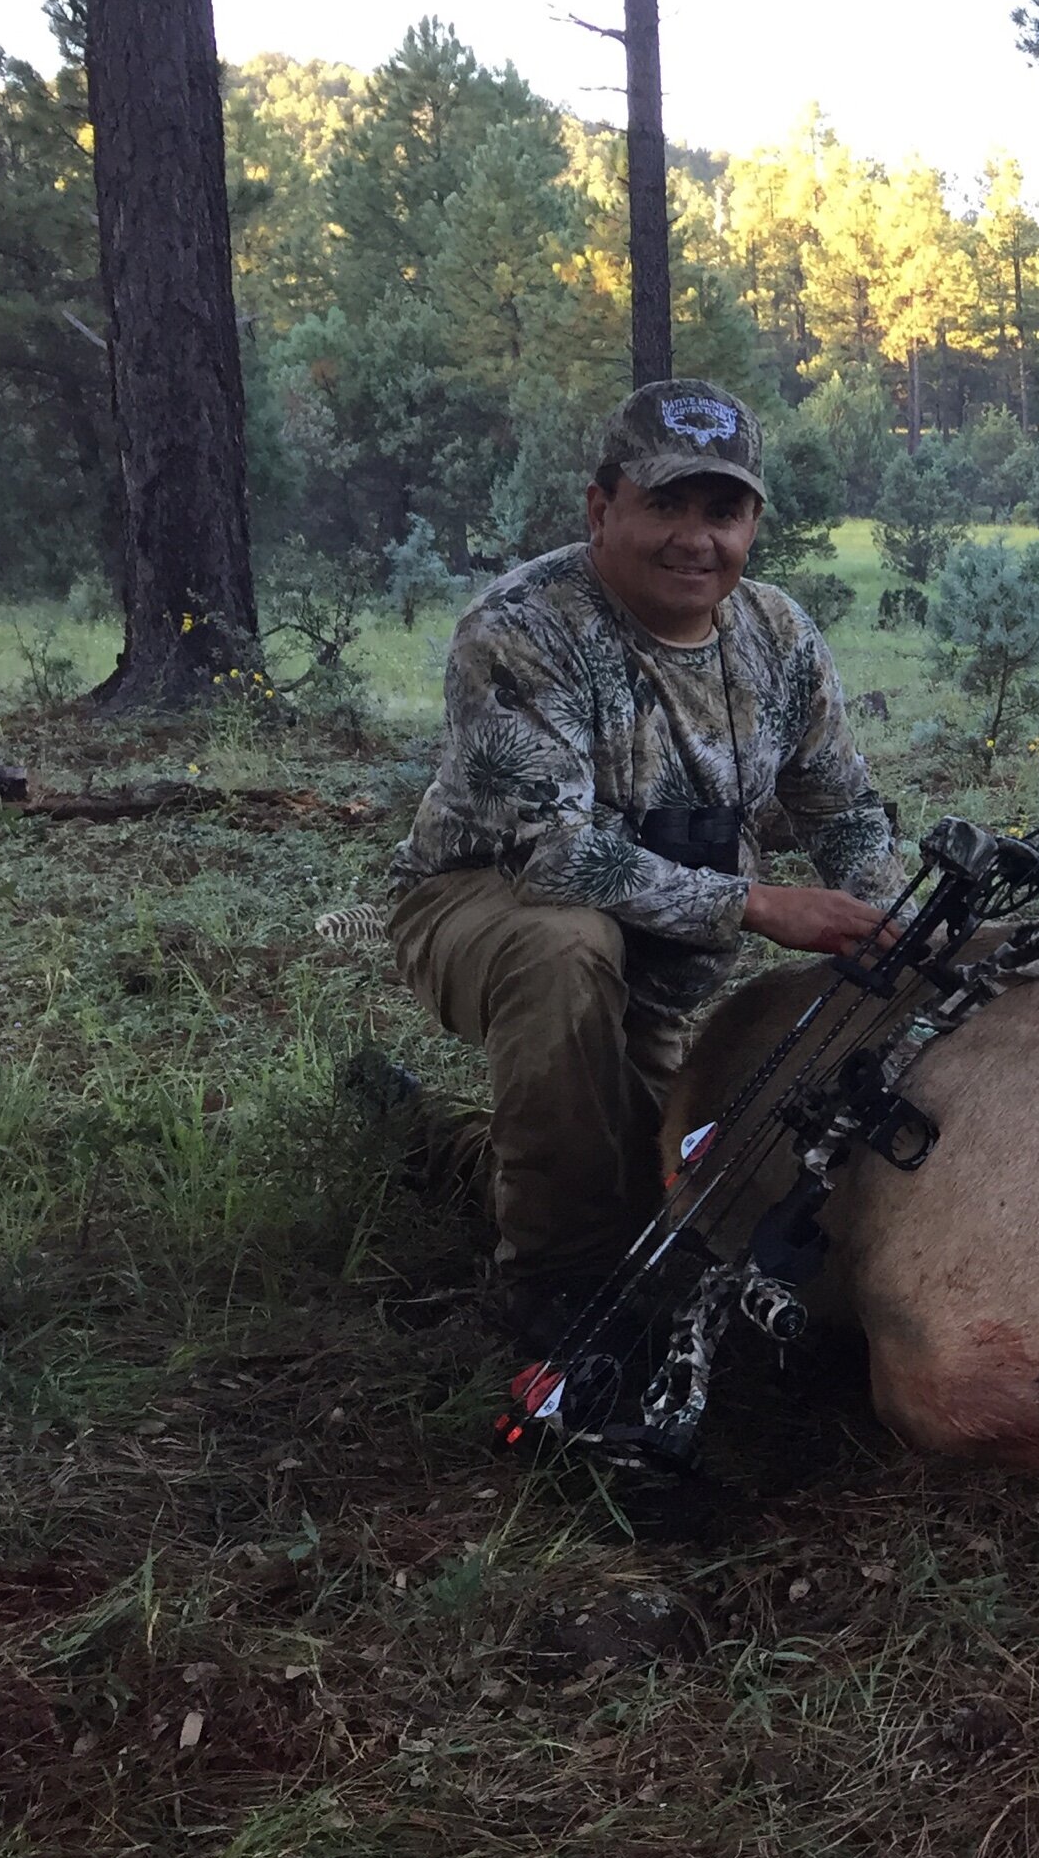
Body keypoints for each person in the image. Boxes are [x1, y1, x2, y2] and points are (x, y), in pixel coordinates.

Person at [385, 379, 899, 1337]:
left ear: (753, 524)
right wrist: (761, 906)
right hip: (485, 900)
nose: (693, 539)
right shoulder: (522, 629)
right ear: (600, 507)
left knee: (647, 1174)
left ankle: (455, 1148)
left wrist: (888, 922)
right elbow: (553, 857)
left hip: (660, 957)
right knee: (565, 951)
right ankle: (559, 1292)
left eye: (723, 511)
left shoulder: (779, 636)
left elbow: (841, 807)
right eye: (664, 504)